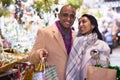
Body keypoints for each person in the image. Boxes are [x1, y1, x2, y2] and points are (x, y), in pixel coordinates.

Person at [28, 4, 76, 80]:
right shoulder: (45, 32)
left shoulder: (76, 36)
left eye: (72, 16)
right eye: (65, 15)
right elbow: (31, 58)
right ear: (59, 16)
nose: (68, 19)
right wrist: (39, 53)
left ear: (75, 18)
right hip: (51, 77)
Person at [66, 14, 110, 80]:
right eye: (79, 23)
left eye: (84, 22)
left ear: (93, 25)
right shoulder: (75, 43)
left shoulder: (102, 45)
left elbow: (104, 68)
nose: (80, 25)